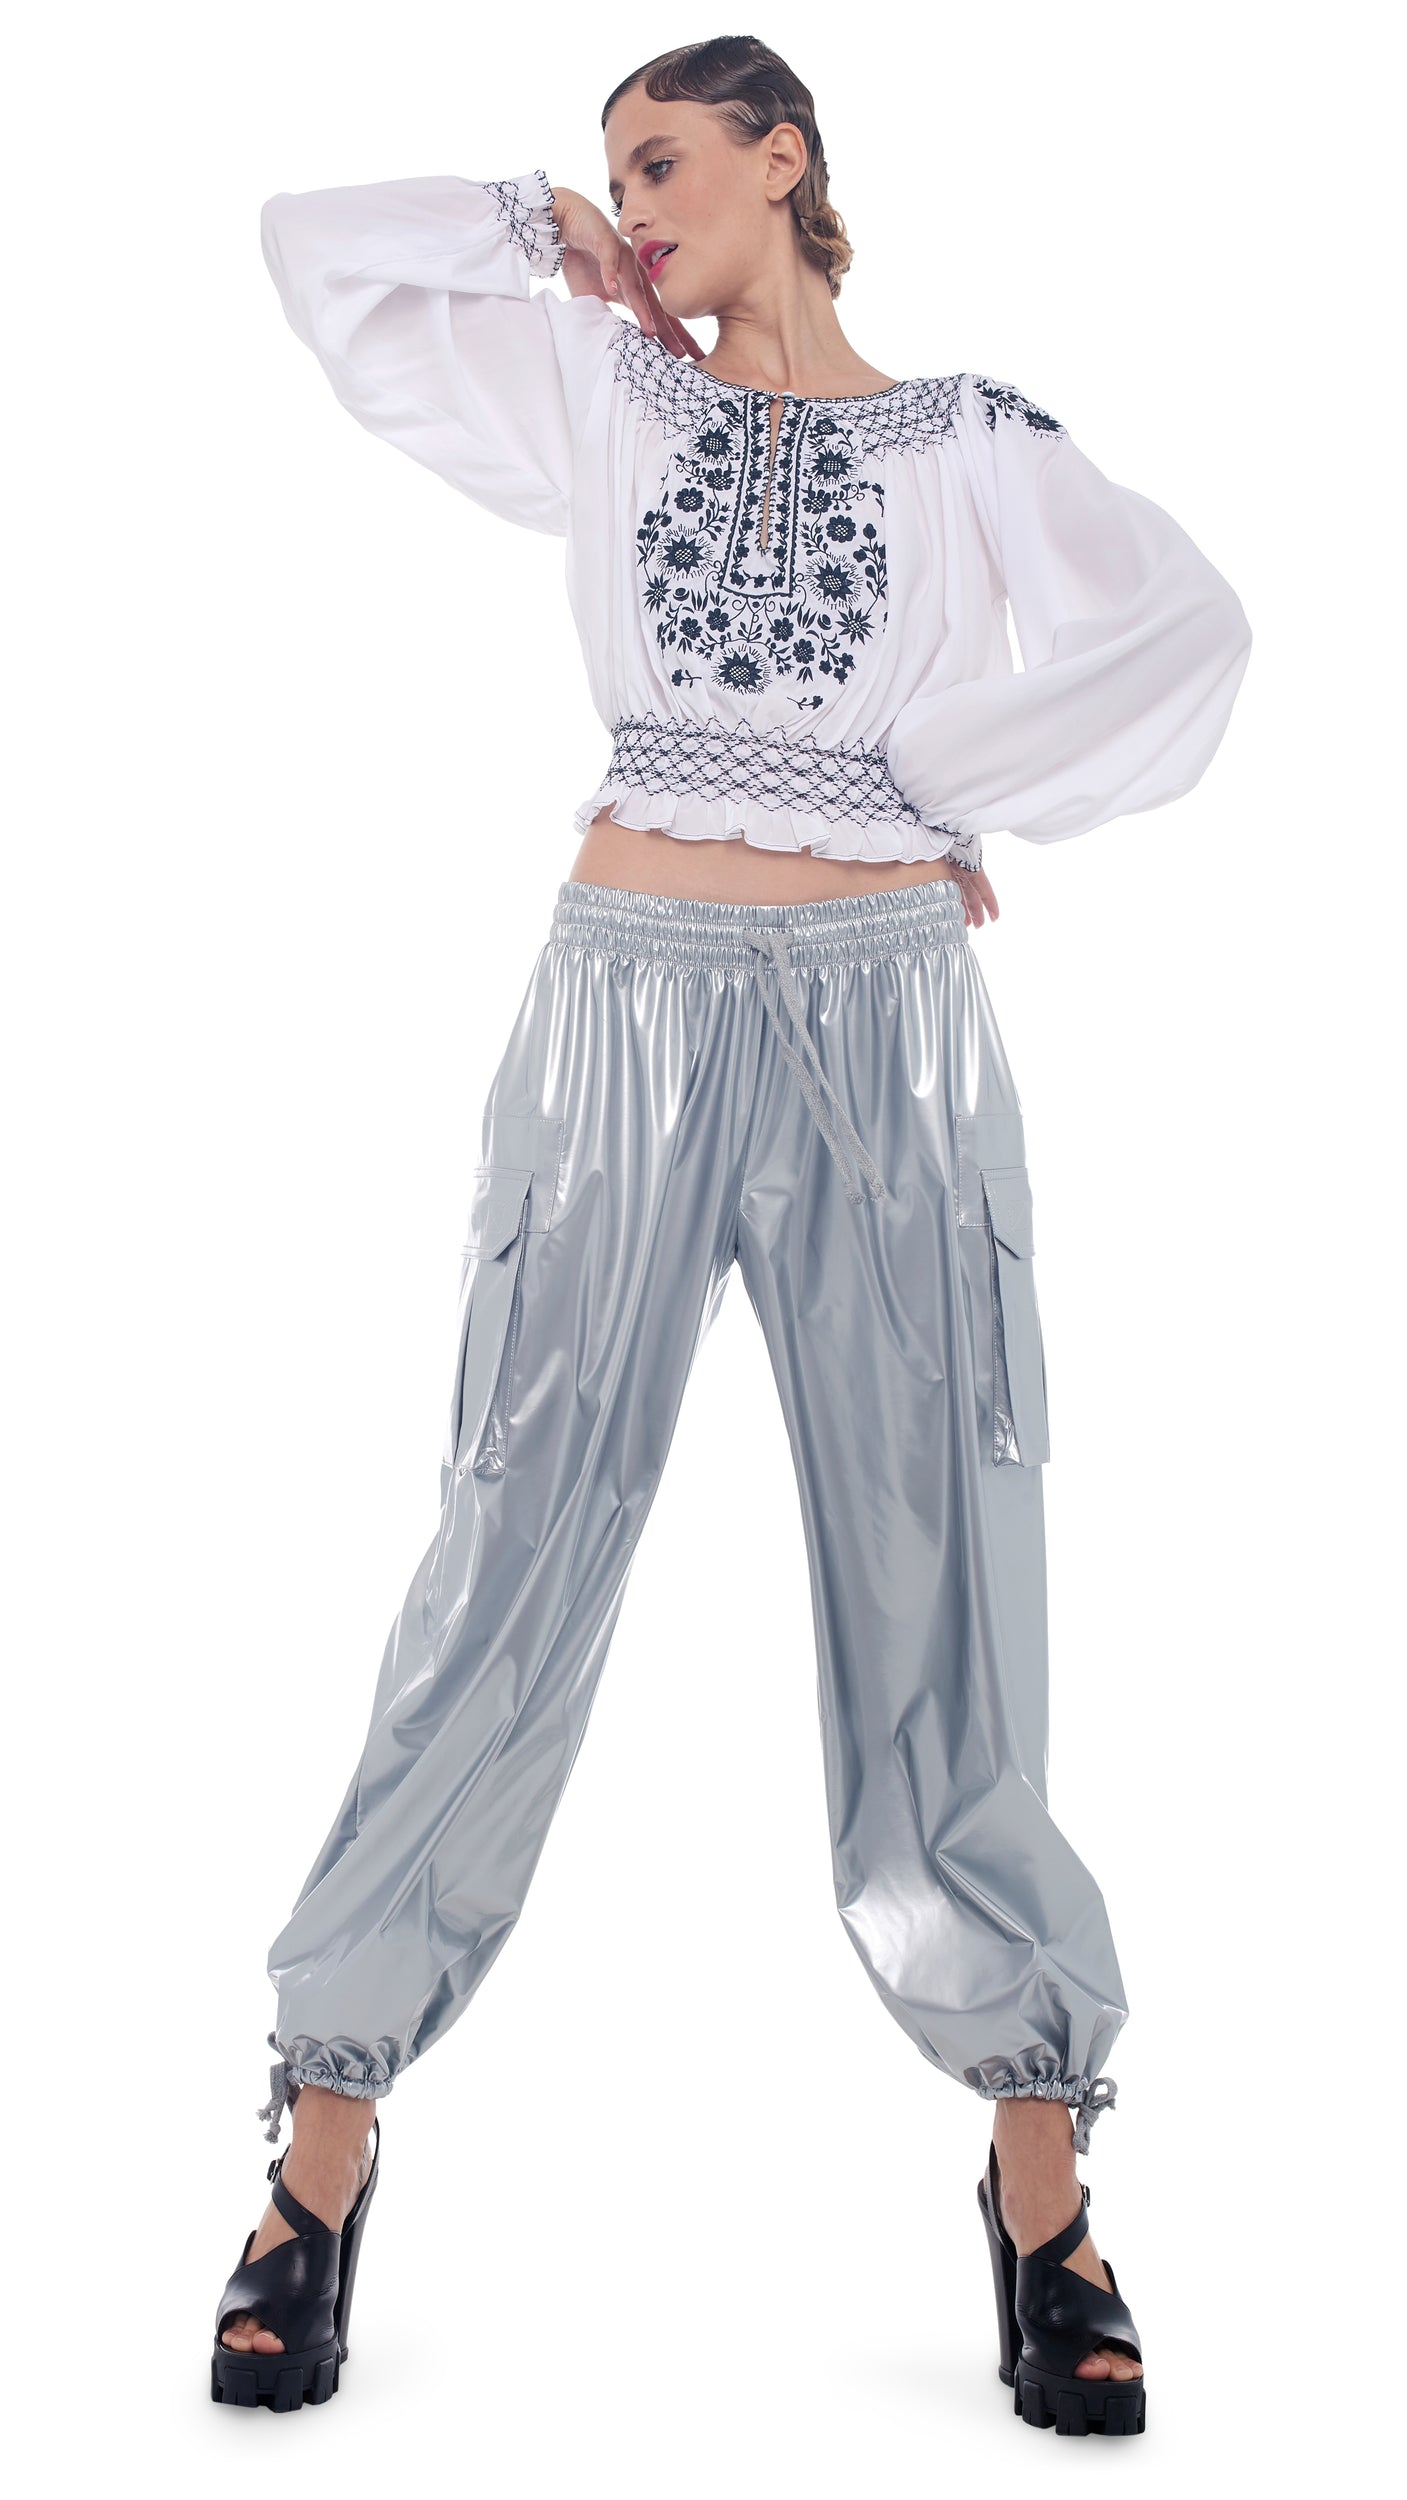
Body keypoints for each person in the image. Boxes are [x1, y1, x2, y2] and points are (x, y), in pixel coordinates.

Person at [212, 35, 1250, 2432]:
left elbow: (1189, 632)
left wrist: (937, 781)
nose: (644, 205)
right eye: (621, 172)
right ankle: (320, 2146)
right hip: (622, 1004)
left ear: (788, 157)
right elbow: (310, 259)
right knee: (509, 1540)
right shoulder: (606, 393)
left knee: (941, 1555)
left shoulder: (965, 440)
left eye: (668, 160)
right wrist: (536, 226)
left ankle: (1039, 2183)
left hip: (887, 1020)